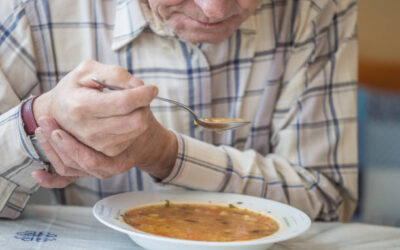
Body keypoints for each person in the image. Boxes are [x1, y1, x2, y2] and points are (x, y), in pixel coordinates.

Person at [0, 0, 358, 221]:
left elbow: (327, 199)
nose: (214, 9)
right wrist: (37, 118)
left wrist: (164, 153)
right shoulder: (28, 9)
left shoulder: (317, 9)